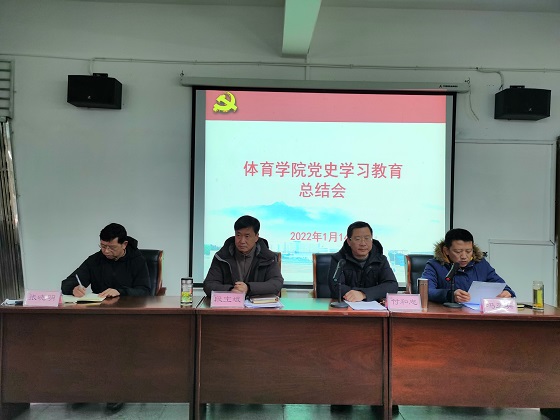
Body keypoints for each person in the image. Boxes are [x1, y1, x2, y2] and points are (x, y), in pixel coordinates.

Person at [422, 228, 515, 304]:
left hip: (477, 314)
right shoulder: (434, 265)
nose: (464, 256)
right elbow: (426, 291)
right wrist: (450, 295)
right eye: (458, 251)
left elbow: (501, 285)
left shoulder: (480, 263)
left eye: (468, 251)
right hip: (448, 314)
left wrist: (507, 292)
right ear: (446, 250)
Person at [61, 223, 150, 298]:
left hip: (128, 308)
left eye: (112, 247)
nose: (106, 251)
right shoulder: (95, 260)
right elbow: (66, 284)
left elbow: (144, 291)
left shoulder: (137, 260)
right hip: (100, 309)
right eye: (103, 246)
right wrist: (73, 289)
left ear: (124, 244)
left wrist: (120, 292)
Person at [203, 215, 283, 297]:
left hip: (258, 303)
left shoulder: (268, 257)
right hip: (230, 302)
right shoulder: (222, 256)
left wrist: (248, 288)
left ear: (256, 237)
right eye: (238, 235)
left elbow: (276, 283)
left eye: (247, 236)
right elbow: (209, 284)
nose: (242, 241)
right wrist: (231, 290)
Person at [328, 221, 398, 302]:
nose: (363, 243)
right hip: (345, 305)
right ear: (349, 241)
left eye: (367, 238)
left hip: (374, 307)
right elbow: (336, 287)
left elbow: (392, 286)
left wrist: (363, 294)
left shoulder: (381, 260)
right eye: (358, 239)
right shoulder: (339, 260)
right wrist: (363, 293)